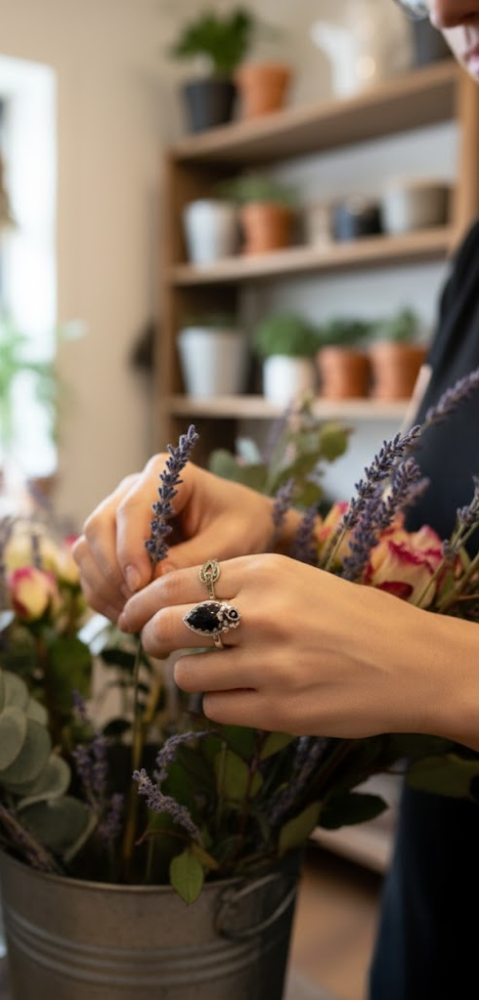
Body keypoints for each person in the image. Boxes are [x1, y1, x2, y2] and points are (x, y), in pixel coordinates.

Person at [72, 2, 479, 995]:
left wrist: (445, 674)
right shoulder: (476, 260)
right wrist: (284, 532)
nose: (442, 9)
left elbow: (436, 644)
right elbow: (436, 555)